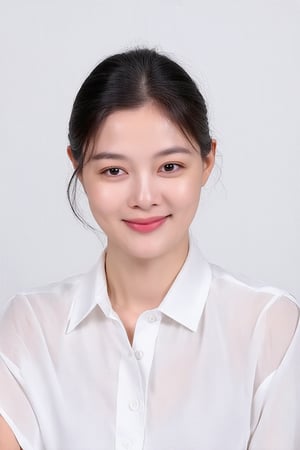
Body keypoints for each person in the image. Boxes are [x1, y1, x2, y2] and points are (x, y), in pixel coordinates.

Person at [0, 48, 299, 450]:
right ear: (78, 168)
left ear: (207, 161)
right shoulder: (30, 325)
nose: (144, 197)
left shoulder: (269, 325)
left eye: (170, 167)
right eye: (114, 170)